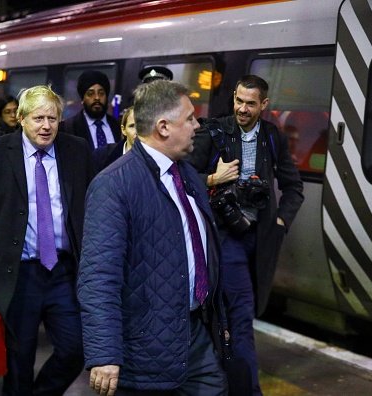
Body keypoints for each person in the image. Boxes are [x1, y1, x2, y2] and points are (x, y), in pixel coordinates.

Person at [77, 80, 228, 395]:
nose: (197, 126)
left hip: (194, 334)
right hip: (145, 344)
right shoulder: (115, 185)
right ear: (163, 127)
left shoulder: (187, 176)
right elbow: (98, 277)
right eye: (189, 118)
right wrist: (104, 355)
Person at [0, 85, 94, 395]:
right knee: (18, 360)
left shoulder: (77, 151)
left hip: (63, 271)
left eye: (53, 118)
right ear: (20, 119)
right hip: (16, 274)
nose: (46, 126)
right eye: (38, 118)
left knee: (76, 349)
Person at [184, 75, 304, 395]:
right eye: (239, 100)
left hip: (261, 238)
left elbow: (294, 187)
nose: (242, 108)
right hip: (226, 237)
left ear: (264, 105)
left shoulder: (272, 136)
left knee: (239, 314)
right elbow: (181, 177)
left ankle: (223, 379)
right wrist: (213, 178)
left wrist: (280, 222)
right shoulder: (215, 131)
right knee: (241, 314)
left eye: (251, 103)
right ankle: (249, 390)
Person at [59, 70, 121, 152]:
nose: (97, 98)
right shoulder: (67, 128)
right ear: (83, 99)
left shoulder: (119, 125)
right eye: (91, 94)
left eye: (101, 93)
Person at [91, 106, 136, 172]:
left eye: (142, 126)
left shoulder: (155, 158)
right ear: (123, 130)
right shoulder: (102, 156)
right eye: (132, 126)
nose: (137, 131)